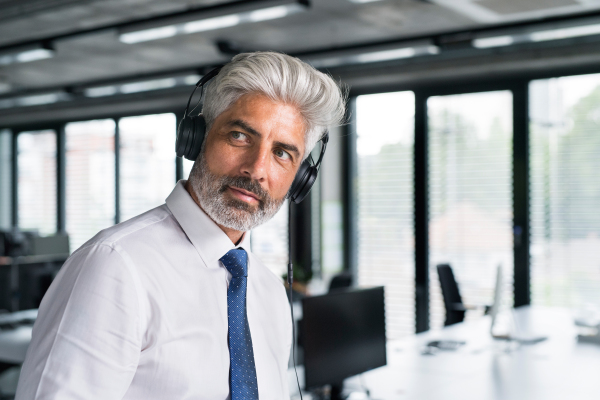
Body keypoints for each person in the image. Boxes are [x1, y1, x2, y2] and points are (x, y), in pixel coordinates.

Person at [15, 52, 346, 400]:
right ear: (197, 136)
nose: (256, 168)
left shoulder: (270, 293)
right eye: (239, 136)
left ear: (299, 178)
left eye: (282, 153)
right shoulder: (116, 267)